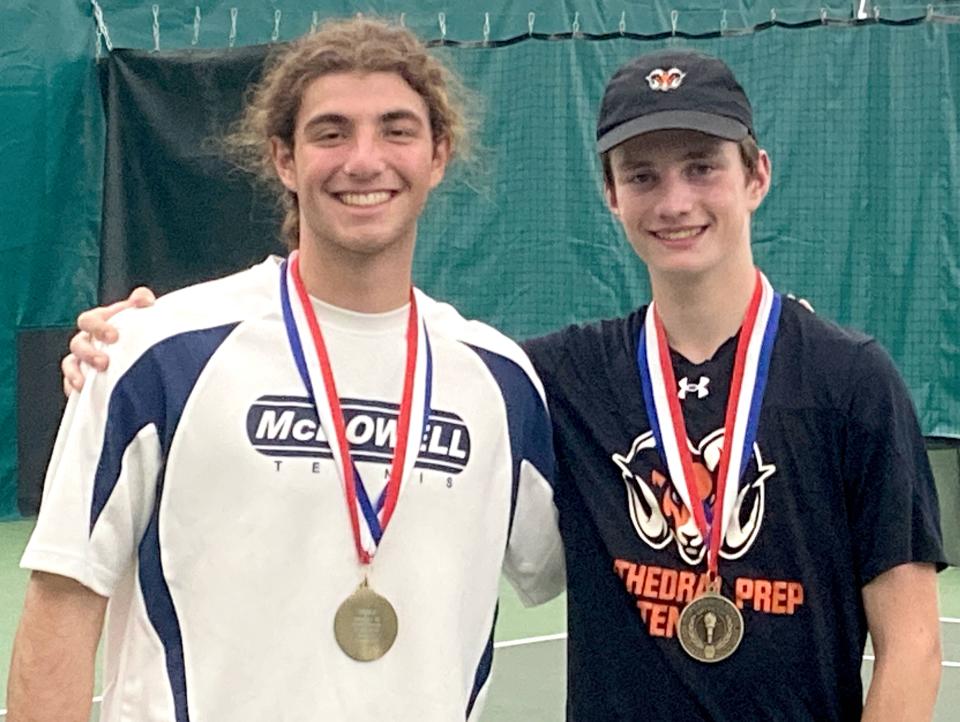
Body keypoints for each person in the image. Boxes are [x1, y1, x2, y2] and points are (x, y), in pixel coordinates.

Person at [58, 48, 946, 721]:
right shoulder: (548, 378)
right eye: (643, 175)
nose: (674, 201)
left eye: (702, 168)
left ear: (756, 176)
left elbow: (908, 641)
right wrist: (126, 338)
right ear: (610, 195)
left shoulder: (848, 378)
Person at [7, 17, 563, 722]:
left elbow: (580, 567)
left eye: (396, 130)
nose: (364, 160)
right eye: (331, 132)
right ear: (284, 158)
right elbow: (62, 607)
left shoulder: (500, 382)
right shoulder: (152, 357)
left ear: (438, 154)